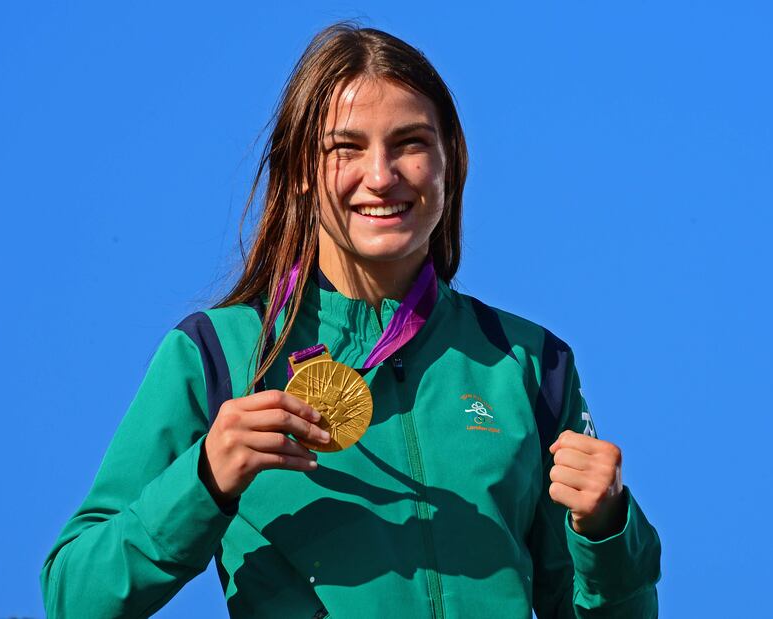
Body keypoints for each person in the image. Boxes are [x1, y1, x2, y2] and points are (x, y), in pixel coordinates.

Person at [41, 22, 661, 619]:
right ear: (303, 173)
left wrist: (607, 532)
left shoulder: (530, 363)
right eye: (346, 148)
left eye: (411, 143)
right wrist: (203, 479)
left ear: (451, 162)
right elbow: (75, 596)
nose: (381, 176)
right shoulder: (217, 354)